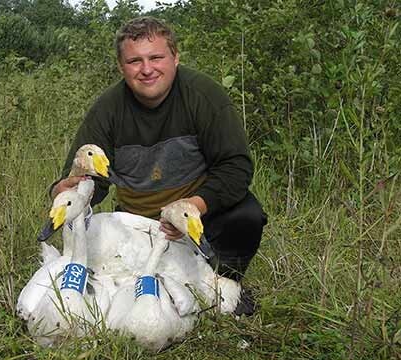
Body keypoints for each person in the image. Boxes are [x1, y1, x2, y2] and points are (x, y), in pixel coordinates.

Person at [50, 16, 267, 316]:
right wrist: (66, 189)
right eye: (135, 61)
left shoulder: (204, 95)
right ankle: (162, 289)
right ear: (121, 66)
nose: (147, 69)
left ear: (175, 57)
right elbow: (88, 179)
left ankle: (223, 288)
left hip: (197, 219)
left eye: (156, 57)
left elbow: (236, 167)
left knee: (247, 216)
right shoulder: (107, 110)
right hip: (138, 226)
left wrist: (194, 206)